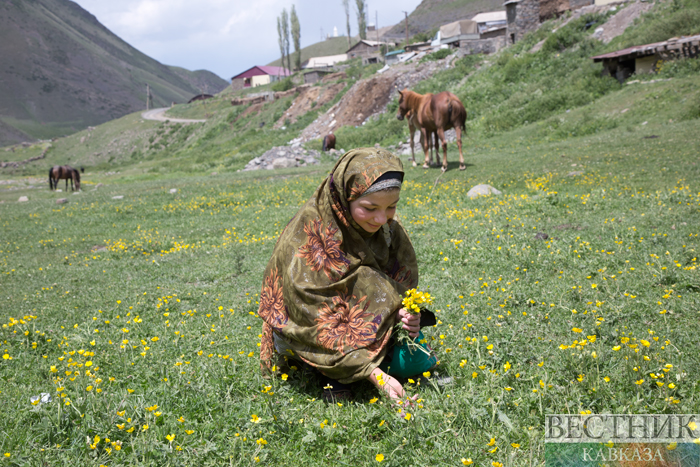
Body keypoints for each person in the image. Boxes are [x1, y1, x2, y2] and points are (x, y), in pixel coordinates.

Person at [257, 148, 434, 403]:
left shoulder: (386, 231)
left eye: (391, 207)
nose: (381, 218)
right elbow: (308, 313)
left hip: (360, 325)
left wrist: (402, 313)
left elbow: (396, 285)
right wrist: (376, 376)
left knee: (415, 362)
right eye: (370, 208)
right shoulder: (309, 236)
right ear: (343, 197)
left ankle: (354, 366)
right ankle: (331, 372)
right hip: (308, 331)